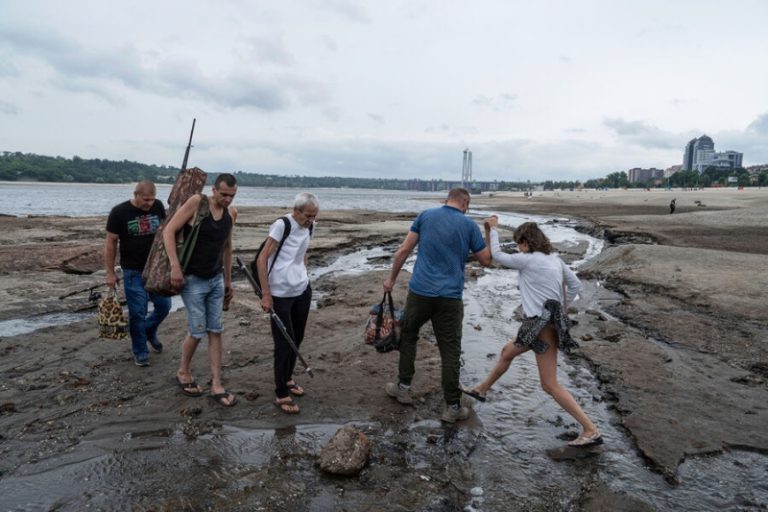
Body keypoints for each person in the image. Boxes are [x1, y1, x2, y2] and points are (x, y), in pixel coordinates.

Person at [467, 218, 601, 447]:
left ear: (527, 243)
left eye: (520, 243)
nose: (519, 248)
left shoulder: (528, 260)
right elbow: (576, 285)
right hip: (540, 326)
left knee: (549, 385)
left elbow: (497, 256)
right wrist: (560, 308)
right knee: (507, 352)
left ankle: (590, 429)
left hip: (541, 329)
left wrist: (494, 230)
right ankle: (481, 390)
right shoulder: (555, 260)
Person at [384, 188, 492, 423]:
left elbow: (404, 249)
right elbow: (486, 260)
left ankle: (402, 388)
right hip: (450, 297)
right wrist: (487, 231)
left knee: (409, 336)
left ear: (447, 200)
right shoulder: (469, 225)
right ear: (465, 203)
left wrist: (391, 279)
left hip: (420, 292)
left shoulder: (426, 216)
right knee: (450, 349)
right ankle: (452, 406)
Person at [163, 173, 238, 407]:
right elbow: (168, 231)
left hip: (215, 279)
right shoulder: (197, 203)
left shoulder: (231, 214)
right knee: (197, 330)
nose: (227, 200)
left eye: (232, 196)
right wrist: (175, 267)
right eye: (224, 194)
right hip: (192, 279)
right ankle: (183, 371)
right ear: (214, 190)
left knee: (216, 330)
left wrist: (228, 280)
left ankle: (216, 383)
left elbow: (227, 247)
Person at [256, 192, 319, 414]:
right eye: (308, 215)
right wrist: (266, 294)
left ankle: (289, 377)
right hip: (279, 292)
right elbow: (262, 258)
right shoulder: (282, 225)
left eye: (314, 215)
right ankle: (281, 391)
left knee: (298, 336)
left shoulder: (310, 226)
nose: (311, 219)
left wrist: (303, 274)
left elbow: (303, 253)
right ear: (296, 211)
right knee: (285, 341)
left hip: (301, 288)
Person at [105, 180, 171, 367]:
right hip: (133, 270)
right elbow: (110, 243)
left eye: (152, 199)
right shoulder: (119, 212)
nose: (149, 204)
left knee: (164, 306)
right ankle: (140, 351)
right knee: (137, 312)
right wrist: (110, 272)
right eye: (146, 199)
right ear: (135, 194)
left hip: (156, 269)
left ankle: (149, 330)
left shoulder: (158, 206)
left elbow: (166, 232)